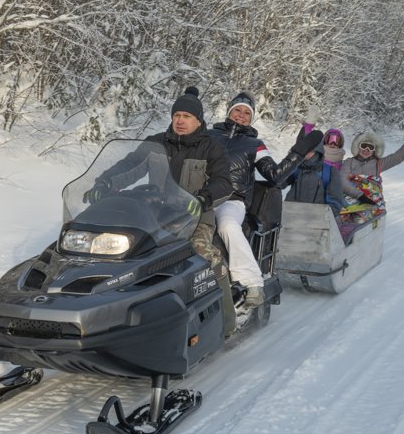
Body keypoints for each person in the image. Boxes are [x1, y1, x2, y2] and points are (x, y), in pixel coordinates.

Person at [83, 86, 237, 337]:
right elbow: (130, 165)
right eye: (177, 115)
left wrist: (202, 198)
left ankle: (227, 324)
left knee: (204, 254)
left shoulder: (211, 149)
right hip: (155, 215)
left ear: (198, 120)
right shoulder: (156, 143)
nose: (180, 121)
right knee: (118, 249)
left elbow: (224, 182)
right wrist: (105, 182)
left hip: (195, 216)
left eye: (187, 116)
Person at [209, 91, 323, 307]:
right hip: (202, 196)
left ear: (251, 118)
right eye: (237, 110)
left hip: (231, 200)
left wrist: (297, 154)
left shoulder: (255, 145)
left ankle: (252, 282)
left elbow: (275, 175)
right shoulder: (208, 135)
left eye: (246, 113)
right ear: (229, 112)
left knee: (227, 225)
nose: (241, 115)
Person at [341, 124, 404, 205]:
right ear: (358, 147)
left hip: (372, 202)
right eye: (364, 146)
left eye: (370, 147)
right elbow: (342, 180)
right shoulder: (349, 162)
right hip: (351, 200)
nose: (366, 150)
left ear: (374, 151)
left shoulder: (378, 164)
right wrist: (359, 195)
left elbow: (399, 156)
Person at [282, 140, 344, 216]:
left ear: (317, 150)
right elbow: (278, 182)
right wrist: (289, 159)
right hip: (290, 218)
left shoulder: (330, 171)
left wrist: (321, 219)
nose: (305, 152)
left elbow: (335, 205)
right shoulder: (296, 167)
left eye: (309, 150)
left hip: (316, 223)